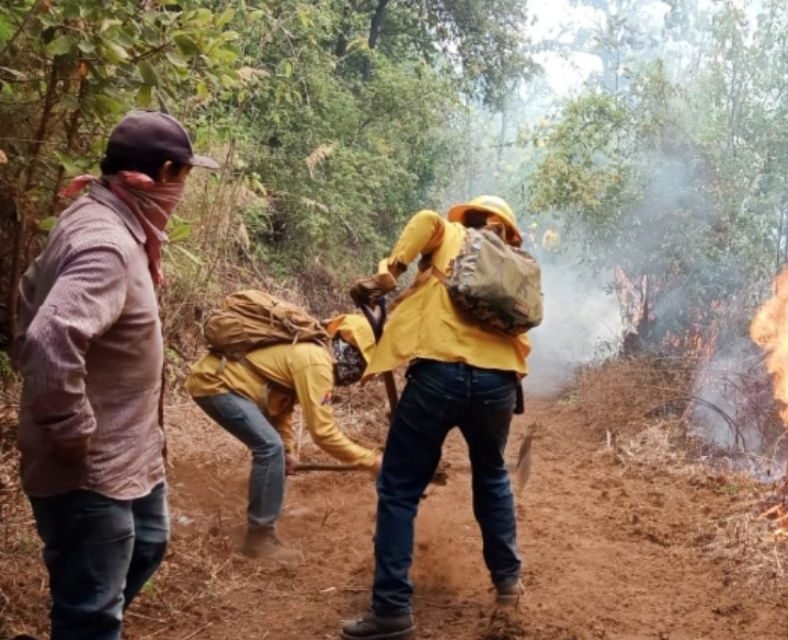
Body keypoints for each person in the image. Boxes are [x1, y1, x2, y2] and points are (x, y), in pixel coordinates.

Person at [13, 110, 218, 640]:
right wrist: (71, 433)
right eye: (184, 177)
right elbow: (49, 338)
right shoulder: (105, 242)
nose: (184, 191)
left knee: (148, 540)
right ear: (164, 173)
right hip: (89, 465)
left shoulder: (108, 220)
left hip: (129, 448)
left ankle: (88, 614)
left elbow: (27, 293)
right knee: (92, 612)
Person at [340, 195, 531, 640]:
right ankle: (508, 585)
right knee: (492, 477)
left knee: (400, 487)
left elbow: (427, 219)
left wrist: (390, 270)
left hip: (440, 373)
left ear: (470, 218)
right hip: (498, 384)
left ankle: (391, 610)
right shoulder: (514, 266)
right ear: (506, 229)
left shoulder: (452, 234)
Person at [185, 313, 383, 559]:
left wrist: (289, 449)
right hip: (217, 385)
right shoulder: (317, 363)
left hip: (222, 383)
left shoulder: (313, 355)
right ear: (352, 354)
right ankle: (259, 539)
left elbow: (280, 405)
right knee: (269, 448)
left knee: (276, 449)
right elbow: (323, 433)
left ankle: (264, 516)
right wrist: (371, 460)